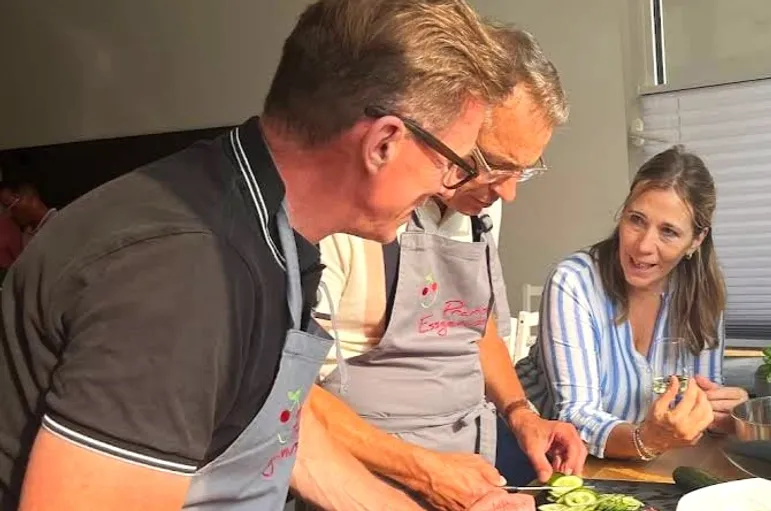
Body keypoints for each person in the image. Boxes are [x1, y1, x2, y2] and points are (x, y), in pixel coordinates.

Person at [0, 1, 535, 510]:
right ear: (383, 144)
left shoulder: (271, 225)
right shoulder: (187, 273)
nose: (448, 185)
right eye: (453, 164)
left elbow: (279, 424)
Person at [307, 23, 586, 510]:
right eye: (493, 164)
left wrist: (520, 413)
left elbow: (474, 325)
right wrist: (425, 471)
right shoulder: (351, 220)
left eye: (523, 171)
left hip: (473, 478)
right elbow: (294, 401)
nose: (508, 193)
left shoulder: (479, 207)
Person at [516, 146, 749, 462]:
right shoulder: (574, 282)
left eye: (668, 232)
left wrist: (722, 415)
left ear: (696, 240)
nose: (643, 246)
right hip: (545, 461)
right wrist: (647, 439)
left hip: (641, 462)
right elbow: (575, 415)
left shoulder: (702, 296)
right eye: (636, 220)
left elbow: (698, 403)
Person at [0, 181, 57, 246]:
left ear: (31, 197)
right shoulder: (26, 235)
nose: (11, 213)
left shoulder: (59, 221)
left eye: (11, 205)